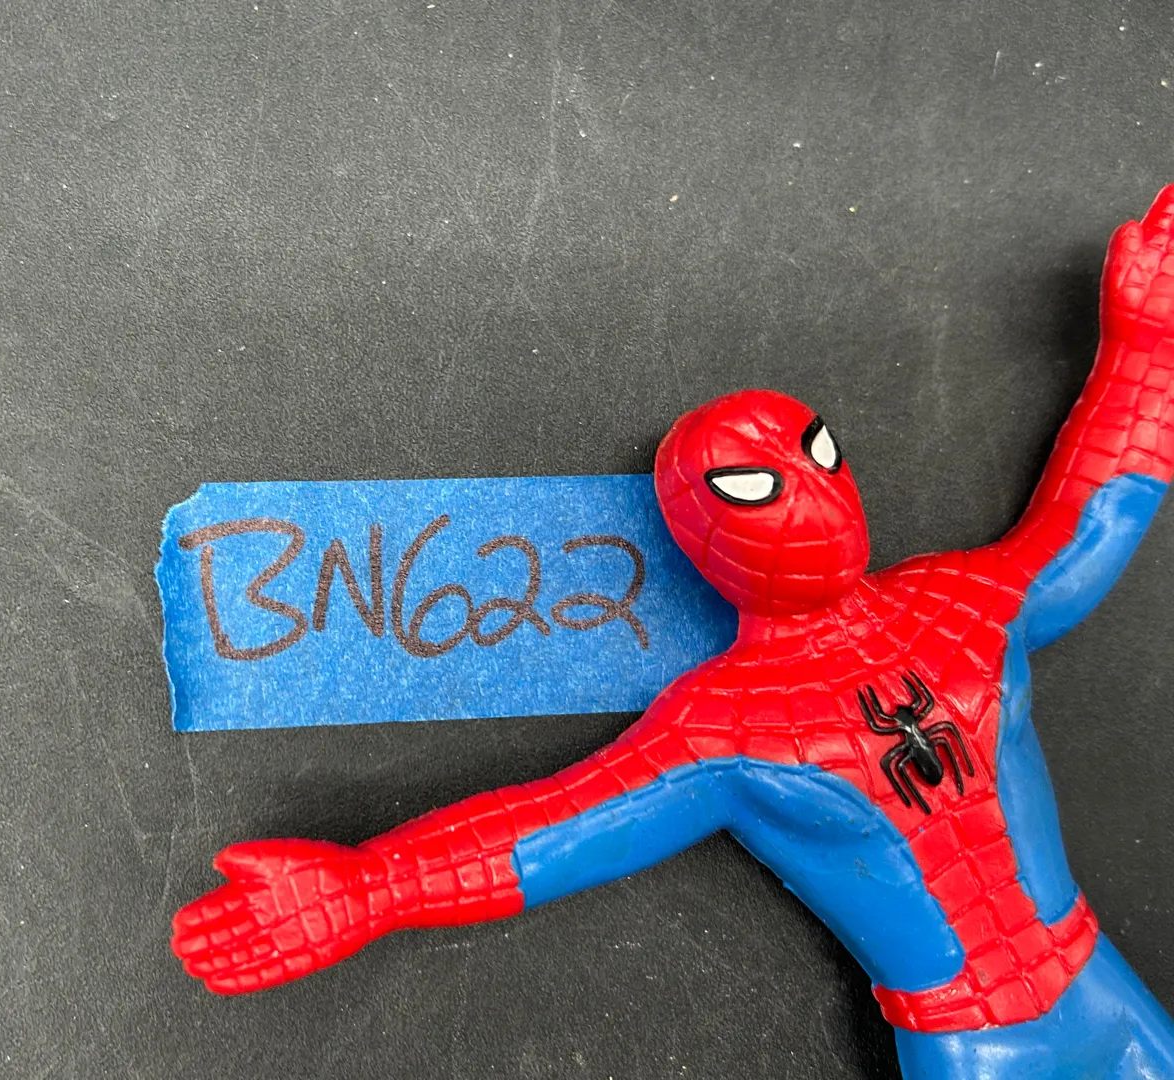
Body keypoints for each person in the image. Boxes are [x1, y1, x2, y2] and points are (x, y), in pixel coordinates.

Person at [172, 187, 1174, 1078]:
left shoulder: (963, 604)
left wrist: (1146, 349)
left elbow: (1093, 517)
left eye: (817, 453)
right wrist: (367, 887)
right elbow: (553, 828)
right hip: (976, 1041)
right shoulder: (730, 728)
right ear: (703, 533)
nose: (809, 499)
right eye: (754, 487)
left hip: (1100, 982)